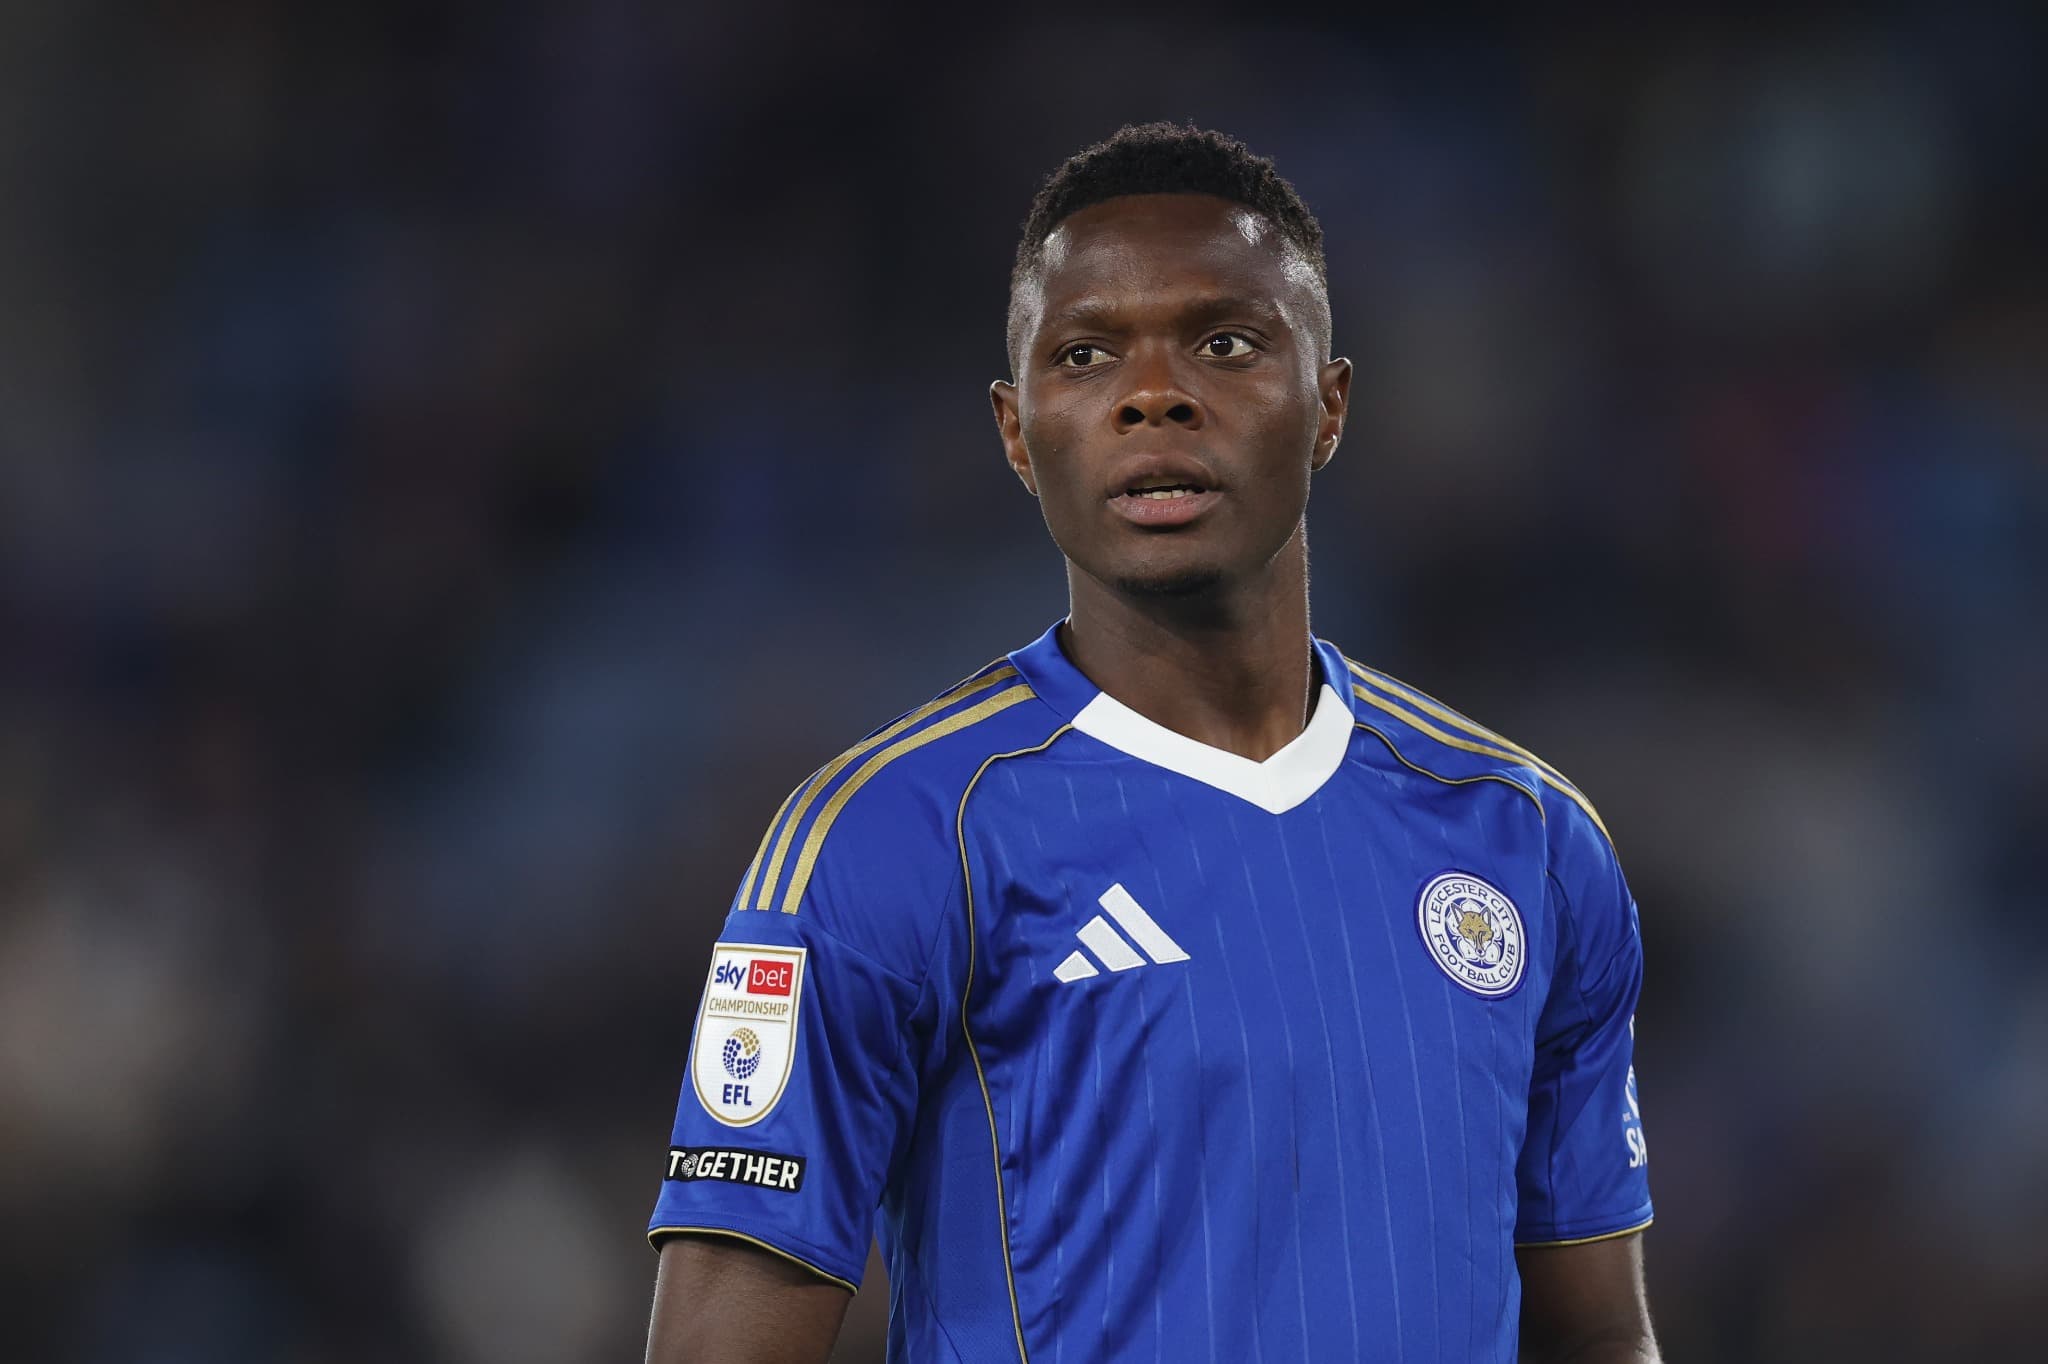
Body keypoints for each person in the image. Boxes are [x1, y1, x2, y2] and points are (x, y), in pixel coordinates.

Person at [643, 122, 1659, 1363]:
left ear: (1328, 403)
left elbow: (1598, 1336)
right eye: (1084, 354)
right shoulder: (889, 837)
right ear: (1018, 433)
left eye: (1225, 342)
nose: (1153, 393)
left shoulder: (1524, 836)